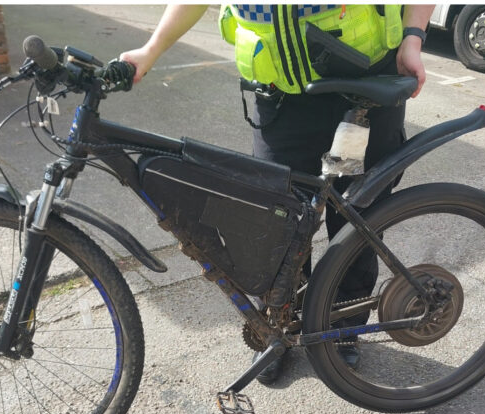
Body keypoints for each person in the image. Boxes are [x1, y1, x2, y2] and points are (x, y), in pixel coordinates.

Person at [117, 4, 434, 384]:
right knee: (275, 223)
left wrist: (413, 38)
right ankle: (280, 332)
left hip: (362, 89)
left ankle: (343, 326)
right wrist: (150, 50)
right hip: (281, 100)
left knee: (354, 219)